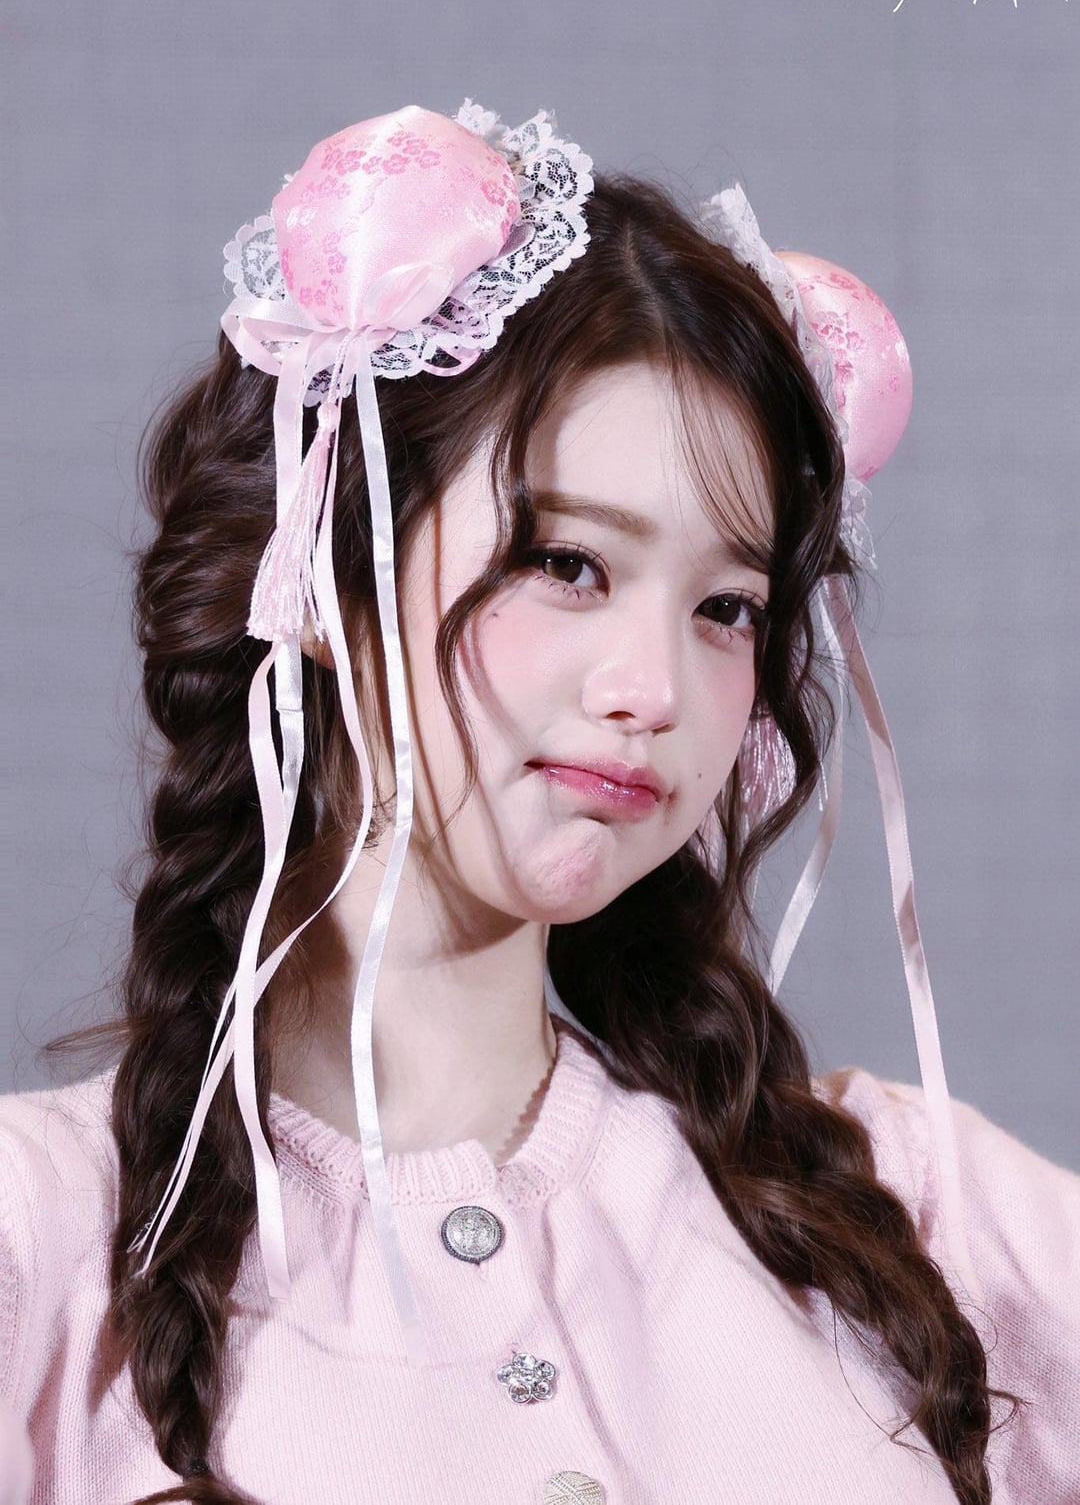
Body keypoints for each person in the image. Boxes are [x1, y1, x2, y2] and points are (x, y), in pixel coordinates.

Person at [0, 103, 1077, 1505]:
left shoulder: (916, 1214)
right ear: (322, 567)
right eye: (567, 564)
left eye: (727, 608)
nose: (655, 690)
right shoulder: (41, 1246)